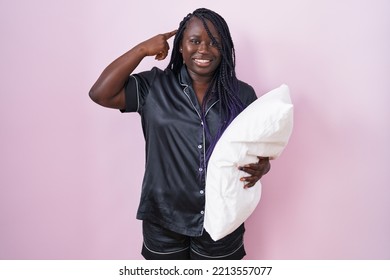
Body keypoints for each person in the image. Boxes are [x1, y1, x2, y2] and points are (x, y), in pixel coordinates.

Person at [89, 8, 270, 260]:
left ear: (225, 48)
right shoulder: (153, 86)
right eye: (195, 41)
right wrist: (141, 49)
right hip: (163, 220)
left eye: (214, 42)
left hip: (221, 221)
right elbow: (101, 93)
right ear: (181, 47)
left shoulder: (242, 95)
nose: (204, 49)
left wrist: (263, 166)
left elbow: (259, 151)